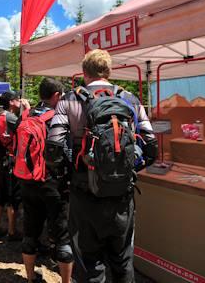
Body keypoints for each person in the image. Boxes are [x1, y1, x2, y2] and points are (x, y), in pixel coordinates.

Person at [47, 49, 158, 283]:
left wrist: (71, 170)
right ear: (109, 71)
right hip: (121, 197)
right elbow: (151, 147)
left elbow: (54, 147)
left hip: (83, 193)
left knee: (89, 265)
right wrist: (125, 169)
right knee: (122, 261)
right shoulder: (130, 99)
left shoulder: (69, 99)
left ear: (84, 72)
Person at [18, 78, 74, 283]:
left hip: (27, 181)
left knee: (30, 231)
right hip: (52, 183)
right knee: (62, 235)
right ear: (57, 96)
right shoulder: (57, 118)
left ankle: (31, 277)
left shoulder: (26, 115)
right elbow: (67, 151)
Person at [0, 91, 29, 241]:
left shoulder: (0, 116)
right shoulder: (10, 117)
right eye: (17, 99)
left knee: (0, 193)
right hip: (10, 161)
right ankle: (12, 232)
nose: (20, 100)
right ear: (11, 102)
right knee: (12, 196)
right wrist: (27, 110)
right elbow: (26, 127)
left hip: (1, 160)